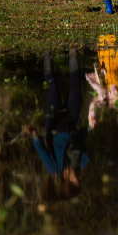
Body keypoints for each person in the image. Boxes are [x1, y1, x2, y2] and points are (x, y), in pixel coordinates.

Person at [25, 50, 88, 201]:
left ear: (69, 181)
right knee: (75, 85)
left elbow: (41, 150)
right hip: (71, 121)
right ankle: (73, 49)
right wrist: (89, 127)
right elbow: (82, 139)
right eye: (80, 181)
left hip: (53, 122)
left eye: (77, 182)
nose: (79, 179)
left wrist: (34, 135)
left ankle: (46, 50)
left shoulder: (53, 168)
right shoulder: (82, 162)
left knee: (52, 86)